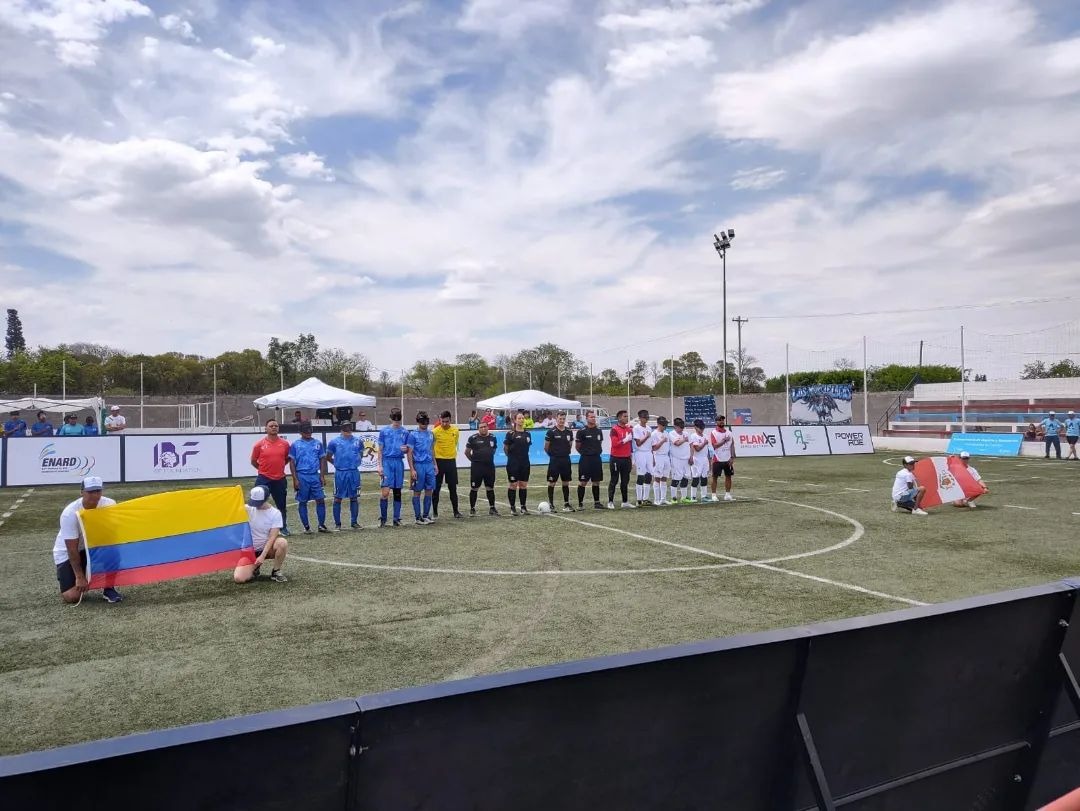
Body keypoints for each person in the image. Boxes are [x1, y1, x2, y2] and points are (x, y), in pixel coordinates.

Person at [54, 476, 123, 604]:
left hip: (92, 547)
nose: (95, 495)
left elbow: (112, 534)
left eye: (98, 491)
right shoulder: (70, 513)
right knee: (72, 597)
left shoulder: (109, 505)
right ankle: (76, 575)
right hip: (69, 552)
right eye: (90, 491)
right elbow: (71, 548)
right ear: (82, 492)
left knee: (113, 551)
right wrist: (79, 577)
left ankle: (109, 588)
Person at [233, 486, 288, 583]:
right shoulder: (248, 509)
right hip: (249, 551)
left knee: (282, 543)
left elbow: (272, 537)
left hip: (266, 549)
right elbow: (230, 508)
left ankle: (276, 571)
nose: (256, 505)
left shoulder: (275, 513)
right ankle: (255, 568)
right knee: (239, 578)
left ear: (266, 498)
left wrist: (262, 555)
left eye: (259, 503)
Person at [251, 418, 291, 536]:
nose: (274, 427)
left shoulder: (284, 443)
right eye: (271, 426)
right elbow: (253, 461)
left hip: (279, 479)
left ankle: (283, 527)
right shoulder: (259, 445)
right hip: (264, 478)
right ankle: (256, 527)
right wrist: (263, 469)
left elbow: (287, 458)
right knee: (257, 503)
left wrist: (279, 467)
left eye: (276, 426)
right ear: (266, 428)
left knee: (281, 505)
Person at [288, 421, 329, 533]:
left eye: (310, 430)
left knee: (320, 500)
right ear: (300, 432)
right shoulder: (295, 444)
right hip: (302, 476)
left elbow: (322, 459)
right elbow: (291, 462)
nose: (309, 432)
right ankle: (306, 527)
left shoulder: (318, 443)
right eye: (306, 431)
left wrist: (322, 475)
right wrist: (295, 479)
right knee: (303, 501)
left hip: (315, 475)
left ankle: (321, 525)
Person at [325, 422, 362, 530]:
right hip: (340, 473)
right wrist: (337, 464)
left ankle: (354, 522)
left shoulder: (358, 441)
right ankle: (338, 524)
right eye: (345, 428)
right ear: (341, 429)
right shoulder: (334, 442)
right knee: (337, 498)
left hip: (354, 473)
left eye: (349, 427)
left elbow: (360, 454)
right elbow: (328, 457)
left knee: (354, 498)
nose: (348, 430)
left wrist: (354, 463)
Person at [377, 408, 409, 527]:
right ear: (390, 418)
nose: (396, 421)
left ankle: (396, 518)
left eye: (398, 419)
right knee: (385, 492)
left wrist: (405, 450)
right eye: (394, 419)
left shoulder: (405, 432)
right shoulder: (384, 431)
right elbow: (380, 450)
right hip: (387, 462)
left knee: (397, 491)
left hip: (398, 463)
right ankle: (383, 518)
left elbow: (407, 450)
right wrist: (379, 465)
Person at [405, 411, 436, 525]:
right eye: (422, 421)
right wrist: (412, 469)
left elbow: (432, 450)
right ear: (418, 422)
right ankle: (418, 517)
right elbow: (409, 453)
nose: (425, 424)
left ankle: (426, 515)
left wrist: (435, 464)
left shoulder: (431, 434)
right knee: (417, 491)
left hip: (429, 465)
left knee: (429, 490)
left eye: (426, 421)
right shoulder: (413, 435)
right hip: (418, 465)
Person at [432, 411, 463, 520]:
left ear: (450, 420)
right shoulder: (435, 432)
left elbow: (455, 443)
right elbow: (431, 448)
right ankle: (435, 512)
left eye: (447, 421)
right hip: (439, 461)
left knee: (453, 488)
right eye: (442, 421)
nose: (444, 423)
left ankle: (456, 511)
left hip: (451, 462)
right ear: (440, 420)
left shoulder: (455, 430)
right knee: (436, 488)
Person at [465, 420, 500, 516]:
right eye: (481, 427)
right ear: (478, 428)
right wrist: (474, 461)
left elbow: (493, 449)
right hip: (477, 467)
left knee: (490, 487)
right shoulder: (473, 438)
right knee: (474, 487)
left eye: (485, 426)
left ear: (488, 427)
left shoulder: (493, 437)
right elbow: (467, 452)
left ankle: (492, 508)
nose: (483, 428)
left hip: (489, 466)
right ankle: (472, 509)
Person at [545, 412, 575, 512]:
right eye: (560, 419)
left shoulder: (569, 432)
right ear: (556, 419)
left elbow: (570, 445)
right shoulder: (551, 432)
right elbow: (546, 447)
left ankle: (566, 504)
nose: (562, 421)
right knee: (552, 482)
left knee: (566, 482)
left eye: (563, 419)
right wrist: (553, 456)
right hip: (555, 460)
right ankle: (551, 504)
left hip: (566, 460)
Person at [575, 410, 605, 510]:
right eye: (591, 417)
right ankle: (580, 504)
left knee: (596, 481)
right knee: (583, 482)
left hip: (596, 459)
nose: (593, 418)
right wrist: (585, 454)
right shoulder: (582, 431)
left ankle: (597, 503)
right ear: (586, 418)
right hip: (585, 459)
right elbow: (577, 447)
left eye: (594, 417)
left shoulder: (598, 431)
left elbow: (599, 444)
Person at [504, 412, 533, 515]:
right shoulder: (510, 434)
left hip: (525, 462)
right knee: (513, 484)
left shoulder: (527, 434)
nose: (521, 420)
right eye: (519, 418)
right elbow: (506, 448)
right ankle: (512, 508)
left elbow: (527, 447)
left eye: (522, 418)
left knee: (523, 485)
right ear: (515, 420)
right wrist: (512, 459)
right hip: (513, 463)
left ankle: (523, 507)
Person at [606, 409, 635, 509]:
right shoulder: (614, 429)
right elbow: (615, 444)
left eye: (627, 416)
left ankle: (625, 501)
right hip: (616, 459)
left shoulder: (629, 429)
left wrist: (631, 458)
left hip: (626, 459)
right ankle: (610, 501)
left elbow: (631, 446)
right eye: (625, 416)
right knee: (614, 480)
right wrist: (624, 440)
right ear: (619, 418)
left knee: (625, 481)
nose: (627, 418)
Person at [708, 415, 736, 502]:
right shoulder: (713, 433)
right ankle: (713, 495)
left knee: (728, 476)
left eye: (723, 420)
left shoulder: (729, 433)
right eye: (720, 420)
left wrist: (732, 457)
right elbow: (715, 445)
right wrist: (724, 440)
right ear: (716, 422)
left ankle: (727, 494)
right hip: (717, 458)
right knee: (715, 477)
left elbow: (732, 445)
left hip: (727, 459)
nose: (722, 422)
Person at [668, 418, 693, 504]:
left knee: (686, 477)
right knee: (676, 478)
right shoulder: (671, 434)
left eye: (683, 427)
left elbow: (691, 445)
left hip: (686, 459)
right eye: (680, 427)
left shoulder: (686, 433)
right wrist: (684, 440)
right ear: (675, 426)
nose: (682, 429)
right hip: (676, 459)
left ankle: (684, 497)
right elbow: (677, 443)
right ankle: (673, 498)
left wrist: (691, 456)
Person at [632, 409, 654, 506]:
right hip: (640, 453)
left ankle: (645, 498)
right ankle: (639, 499)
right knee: (641, 475)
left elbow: (651, 444)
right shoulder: (636, 428)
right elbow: (638, 443)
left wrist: (653, 456)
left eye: (647, 416)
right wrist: (646, 437)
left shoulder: (649, 428)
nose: (646, 418)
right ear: (640, 418)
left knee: (649, 475)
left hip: (648, 453)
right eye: (645, 417)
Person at [650, 416, 671, 505]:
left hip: (666, 456)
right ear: (658, 424)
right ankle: (656, 499)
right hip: (658, 456)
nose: (664, 426)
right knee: (657, 477)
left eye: (665, 425)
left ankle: (663, 498)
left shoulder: (666, 433)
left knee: (664, 477)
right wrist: (662, 441)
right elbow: (654, 448)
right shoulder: (654, 434)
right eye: (662, 425)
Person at [688, 419, 711, 503]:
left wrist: (709, 460)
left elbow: (707, 450)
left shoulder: (705, 436)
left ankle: (704, 496)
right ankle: (693, 497)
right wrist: (704, 443)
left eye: (703, 428)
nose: (702, 429)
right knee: (696, 478)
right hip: (697, 459)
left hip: (704, 459)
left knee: (704, 477)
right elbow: (697, 449)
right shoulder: (693, 436)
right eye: (700, 428)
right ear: (695, 427)